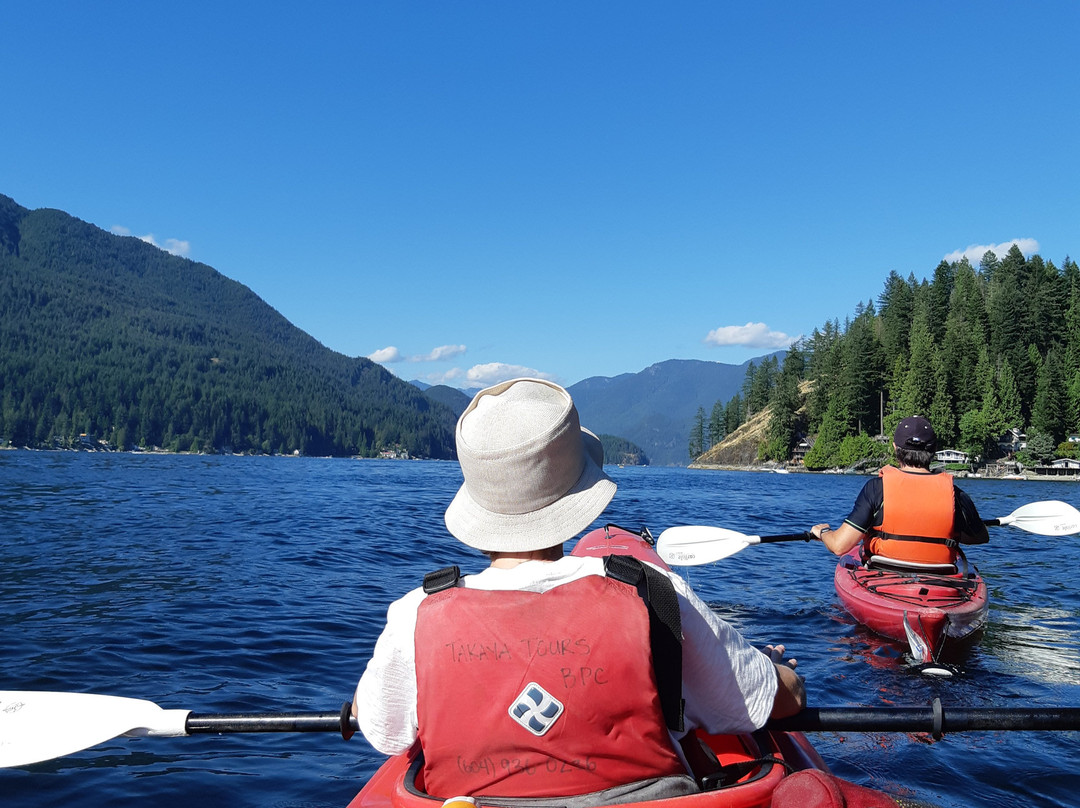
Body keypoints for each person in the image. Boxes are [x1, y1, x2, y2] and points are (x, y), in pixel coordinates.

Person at [353, 378, 805, 802]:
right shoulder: (652, 594)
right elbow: (770, 702)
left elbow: (381, 728)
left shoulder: (417, 614)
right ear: (576, 494)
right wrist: (777, 670)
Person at [810, 415, 988, 567]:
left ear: (895, 448)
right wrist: (949, 532)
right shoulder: (955, 495)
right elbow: (980, 537)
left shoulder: (876, 489)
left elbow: (839, 546)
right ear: (933, 450)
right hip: (941, 583)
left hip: (884, 579)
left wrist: (824, 532)